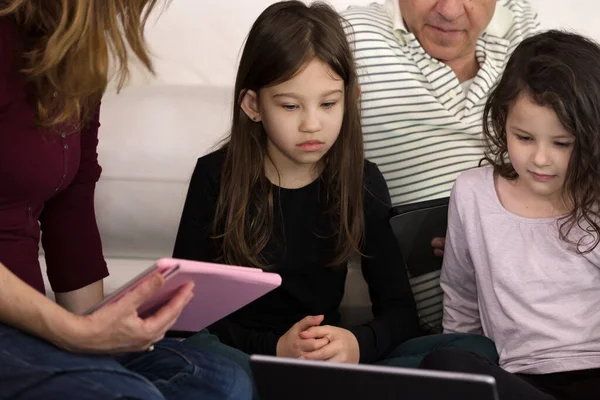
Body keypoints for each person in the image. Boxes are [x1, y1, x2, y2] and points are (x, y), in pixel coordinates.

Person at [173, 0, 497, 380]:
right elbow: (186, 316)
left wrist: (354, 344)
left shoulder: (362, 181)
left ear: (351, 99)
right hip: (241, 357)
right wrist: (276, 348)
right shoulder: (215, 176)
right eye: (291, 106)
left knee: (475, 349)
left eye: (328, 103)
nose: (312, 124)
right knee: (216, 372)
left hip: (325, 361)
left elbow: (399, 312)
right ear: (253, 105)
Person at [0, 1, 251, 399]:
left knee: (224, 381)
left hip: (32, 326)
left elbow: (72, 205)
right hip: (18, 327)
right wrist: (76, 334)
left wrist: (103, 331)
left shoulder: (74, 58)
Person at [341, 0, 540, 333]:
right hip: (419, 327)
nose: (448, 11)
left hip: (536, 307)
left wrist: (493, 238)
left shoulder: (524, 33)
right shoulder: (352, 36)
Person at [422, 30, 600, 400]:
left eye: (562, 144)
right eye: (524, 138)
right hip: (518, 378)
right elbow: (460, 294)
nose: (540, 159)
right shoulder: (472, 193)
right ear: (503, 119)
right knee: (447, 363)